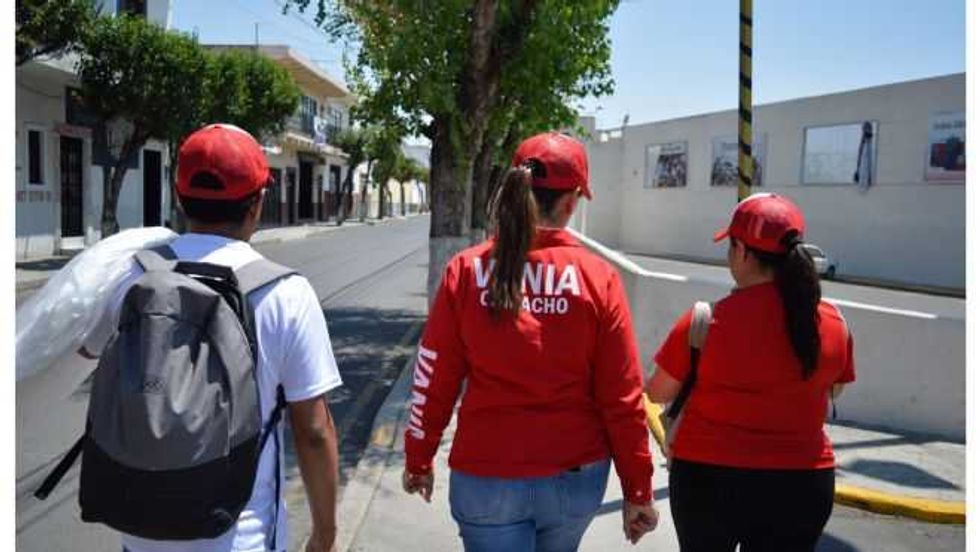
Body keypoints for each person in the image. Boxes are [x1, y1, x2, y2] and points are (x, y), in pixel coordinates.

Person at [80, 124, 343, 552]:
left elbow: (89, 347)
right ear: (258, 204)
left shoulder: (133, 276)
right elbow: (313, 431)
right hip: (240, 538)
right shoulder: (286, 293)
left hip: (139, 530)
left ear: (179, 196)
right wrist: (325, 533)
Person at [401, 132, 657, 551]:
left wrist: (419, 455)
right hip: (575, 482)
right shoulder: (599, 279)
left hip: (486, 478)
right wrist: (638, 489)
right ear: (572, 202)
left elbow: (433, 376)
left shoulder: (466, 271)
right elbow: (623, 397)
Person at [646, 193, 855, 552]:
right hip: (802, 484)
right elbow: (835, 389)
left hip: (707, 479)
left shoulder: (703, 321)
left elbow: (658, 392)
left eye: (730, 246)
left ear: (742, 251)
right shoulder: (833, 322)